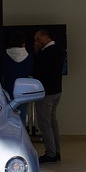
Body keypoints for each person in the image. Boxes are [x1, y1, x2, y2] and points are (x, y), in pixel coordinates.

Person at [32, 29, 64, 163]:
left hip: (46, 92)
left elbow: (37, 70)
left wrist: (36, 52)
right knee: (52, 120)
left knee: (44, 123)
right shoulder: (59, 50)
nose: (36, 42)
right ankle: (56, 150)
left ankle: (50, 153)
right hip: (57, 90)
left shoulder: (45, 53)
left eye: (38, 39)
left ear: (46, 38)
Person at [1, 31, 34, 125]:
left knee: (8, 121)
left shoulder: (4, 55)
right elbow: (31, 72)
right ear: (23, 43)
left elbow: (0, 72)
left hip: (8, 92)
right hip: (23, 93)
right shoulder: (29, 57)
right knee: (22, 121)